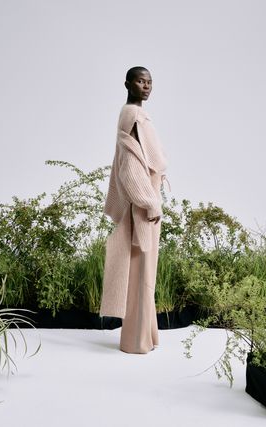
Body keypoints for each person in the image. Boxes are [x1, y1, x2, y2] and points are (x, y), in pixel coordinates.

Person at [100, 66, 168, 354]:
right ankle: (135, 341)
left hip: (147, 206)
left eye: (150, 81)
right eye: (141, 81)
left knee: (146, 275)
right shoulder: (133, 116)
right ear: (127, 84)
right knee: (141, 276)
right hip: (143, 209)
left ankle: (146, 336)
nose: (147, 86)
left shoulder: (137, 115)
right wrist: (149, 202)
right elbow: (129, 169)